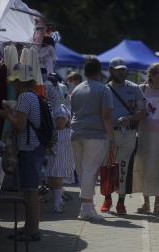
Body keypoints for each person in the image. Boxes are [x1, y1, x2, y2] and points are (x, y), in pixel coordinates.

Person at [0, 63, 46, 241]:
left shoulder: (25, 97)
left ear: (20, 81)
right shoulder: (33, 95)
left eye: (15, 81)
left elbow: (20, 125)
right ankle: (29, 227)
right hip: (35, 147)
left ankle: (33, 231)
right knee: (29, 190)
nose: (13, 85)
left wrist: (7, 115)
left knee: (30, 190)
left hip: (29, 148)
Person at [100, 57, 146, 214]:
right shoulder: (105, 89)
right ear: (111, 71)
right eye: (118, 70)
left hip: (128, 133)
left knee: (124, 167)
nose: (121, 73)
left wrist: (129, 118)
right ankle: (107, 198)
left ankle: (121, 202)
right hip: (108, 133)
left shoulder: (134, 88)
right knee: (106, 166)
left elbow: (143, 112)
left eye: (123, 70)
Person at [70, 57, 114, 221]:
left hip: (75, 133)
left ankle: (87, 207)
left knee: (82, 172)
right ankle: (86, 209)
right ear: (99, 72)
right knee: (90, 171)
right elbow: (107, 116)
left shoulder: (76, 89)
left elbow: (72, 112)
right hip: (95, 134)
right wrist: (112, 138)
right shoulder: (103, 90)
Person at [133, 63, 159, 215]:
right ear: (152, 76)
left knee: (158, 168)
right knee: (143, 167)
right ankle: (145, 203)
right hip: (143, 134)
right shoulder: (141, 89)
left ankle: (157, 204)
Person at [45, 104, 75, 213]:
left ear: (67, 120)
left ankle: (57, 204)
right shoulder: (52, 132)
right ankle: (60, 196)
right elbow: (48, 144)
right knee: (52, 182)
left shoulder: (70, 133)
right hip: (52, 159)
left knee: (57, 181)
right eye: (58, 118)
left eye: (63, 118)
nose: (60, 121)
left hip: (63, 160)